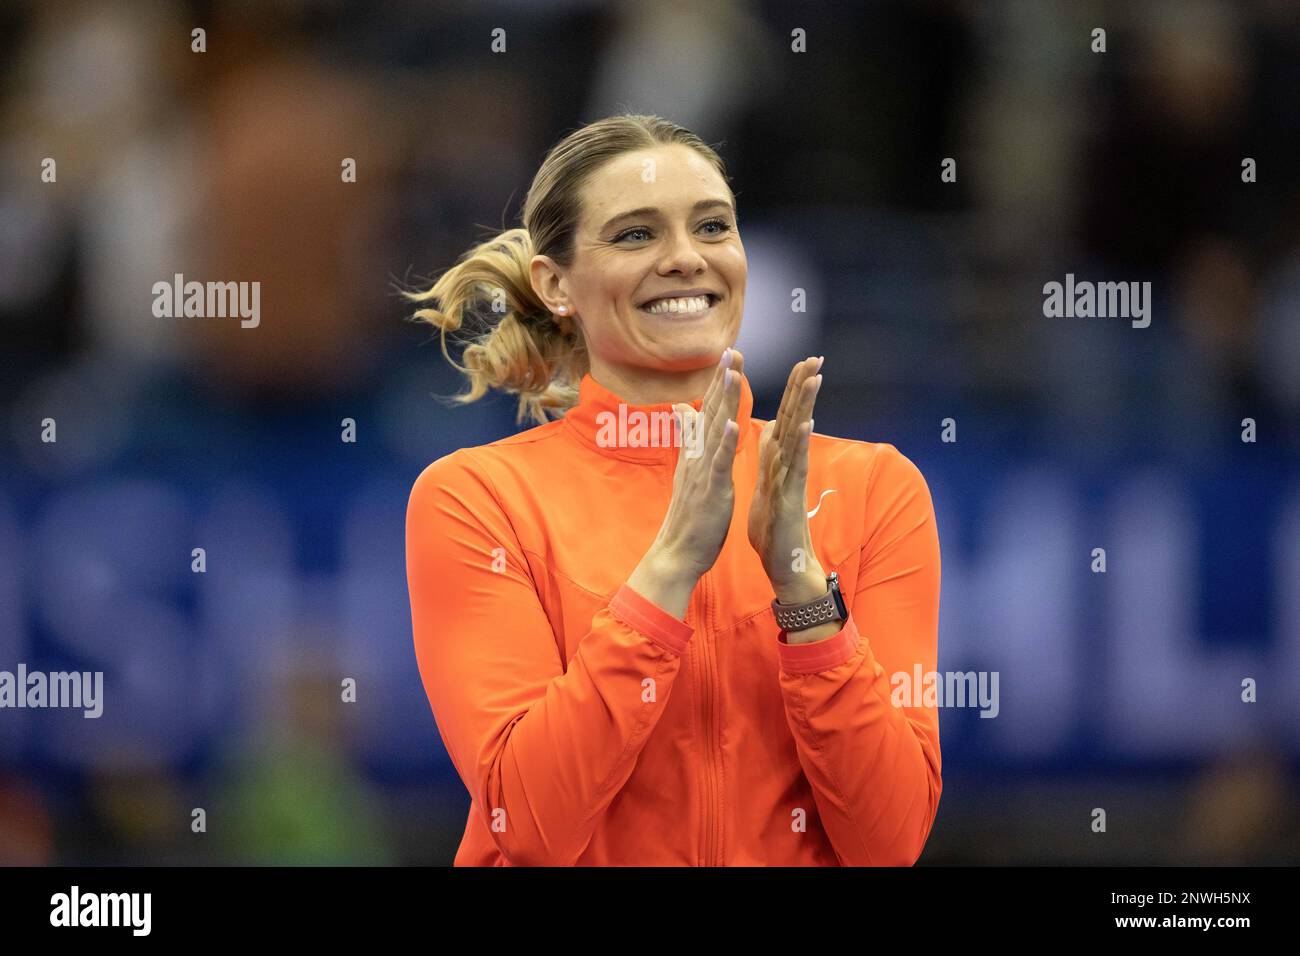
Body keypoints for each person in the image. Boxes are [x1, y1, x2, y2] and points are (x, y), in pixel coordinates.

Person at [404, 114, 942, 866]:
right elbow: (528, 823)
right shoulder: (478, 497)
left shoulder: (874, 487)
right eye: (635, 235)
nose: (687, 259)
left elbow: (889, 840)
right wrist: (670, 568)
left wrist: (801, 587)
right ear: (555, 284)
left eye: (713, 226)